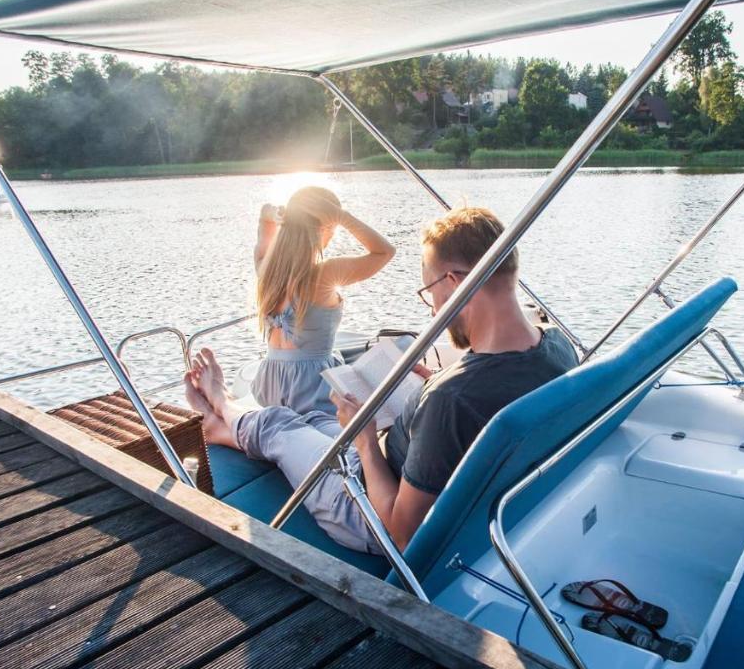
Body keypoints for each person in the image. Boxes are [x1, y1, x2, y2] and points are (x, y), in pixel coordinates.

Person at [185, 206, 576, 555]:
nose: (433, 308)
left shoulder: (453, 399)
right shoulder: (557, 348)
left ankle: (219, 408)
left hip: (366, 509)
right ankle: (229, 426)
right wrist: (434, 385)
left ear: (455, 283)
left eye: (430, 291)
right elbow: (482, 401)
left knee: (278, 423)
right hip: (419, 471)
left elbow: (402, 535)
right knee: (315, 421)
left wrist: (367, 441)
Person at [251, 186, 395, 415]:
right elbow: (385, 252)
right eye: (334, 229)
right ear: (324, 226)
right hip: (312, 392)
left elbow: (264, 224)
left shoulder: (268, 271)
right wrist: (342, 216)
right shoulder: (324, 275)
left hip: (272, 387)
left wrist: (273, 214)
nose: (334, 235)